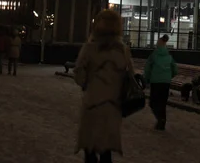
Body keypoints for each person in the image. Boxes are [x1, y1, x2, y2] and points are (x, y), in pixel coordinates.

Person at [74, 10, 134, 163]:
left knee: (90, 147)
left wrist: (87, 83)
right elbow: (130, 75)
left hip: (92, 103)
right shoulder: (123, 50)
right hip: (113, 105)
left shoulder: (90, 47)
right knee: (106, 150)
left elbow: (79, 73)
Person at [144, 34, 178, 130]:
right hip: (166, 83)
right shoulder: (169, 56)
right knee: (162, 103)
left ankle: (160, 119)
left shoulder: (153, 56)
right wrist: (168, 76)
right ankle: (162, 121)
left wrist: (146, 79)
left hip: (155, 82)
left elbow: (147, 69)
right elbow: (175, 70)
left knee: (153, 103)